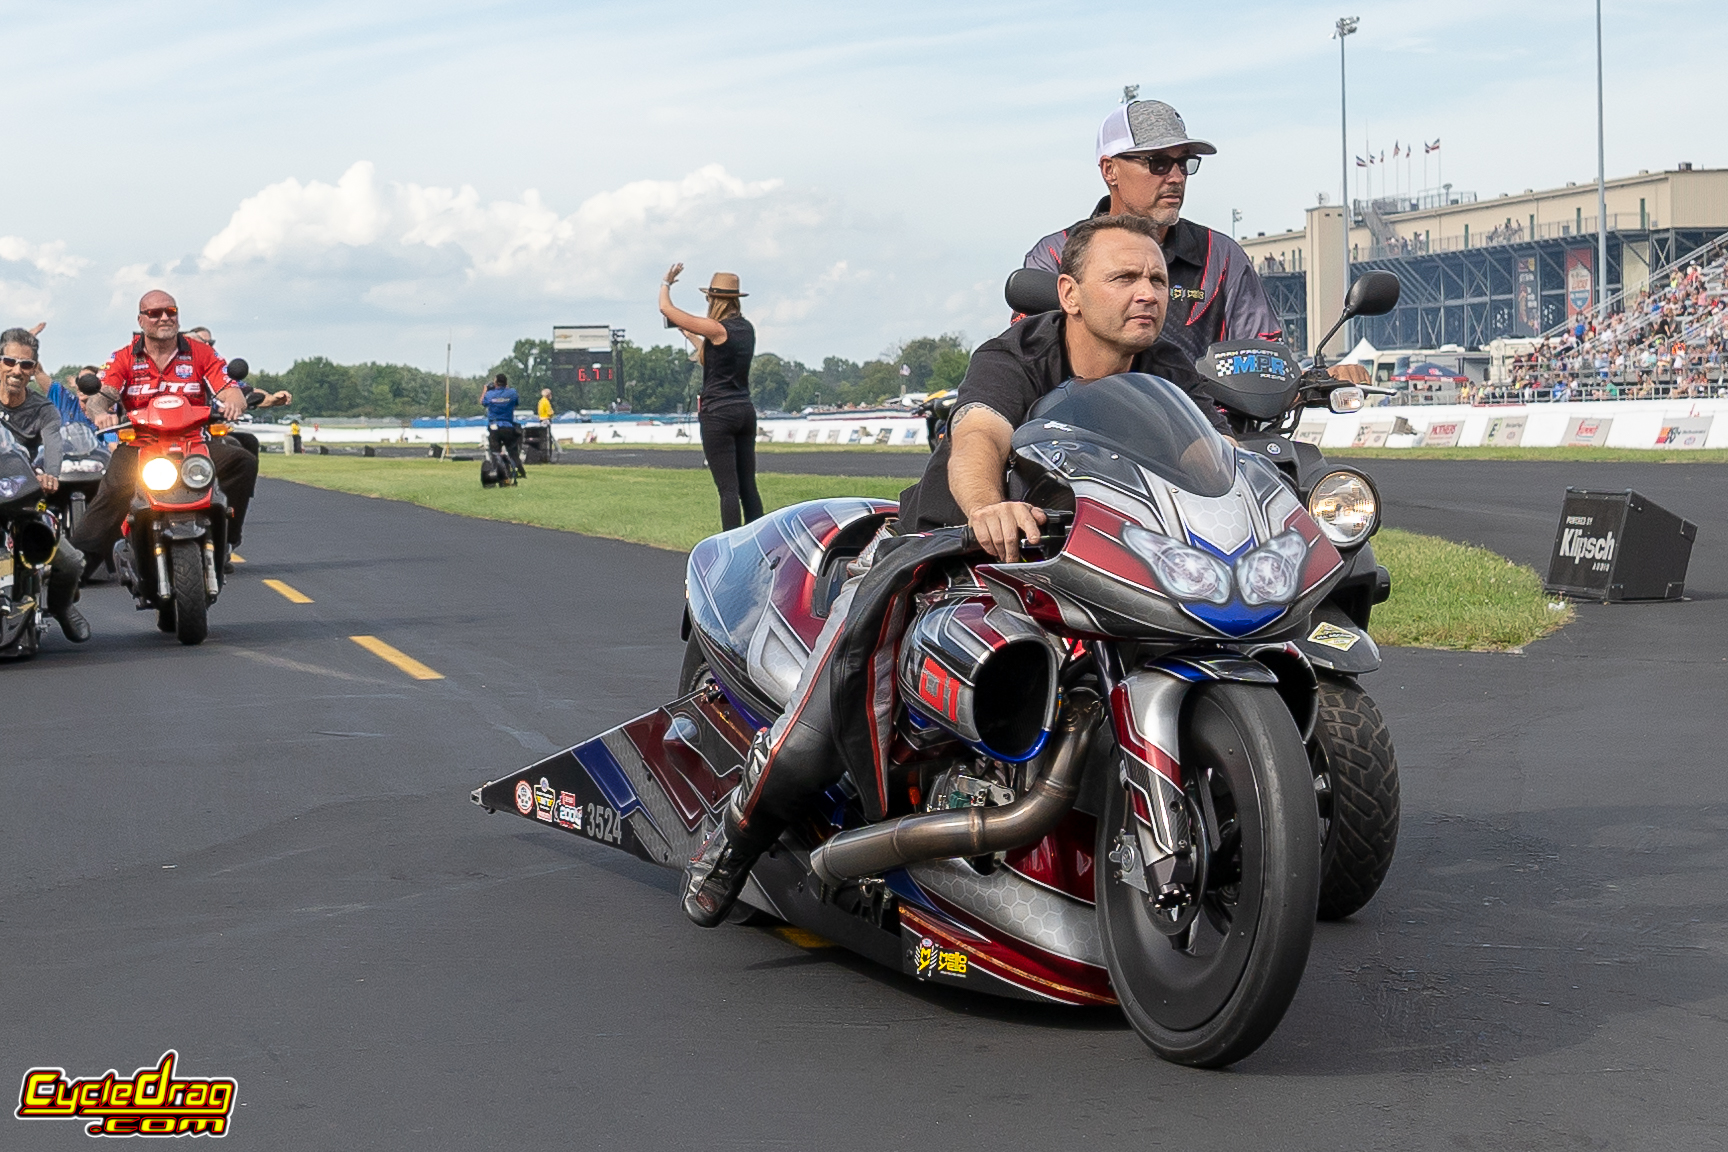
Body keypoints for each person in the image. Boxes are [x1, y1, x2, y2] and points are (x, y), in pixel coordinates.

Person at [680, 215, 1213, 926]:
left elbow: (1208, 462)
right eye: (1124, 277)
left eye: (1156, 279)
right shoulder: (1018, 351)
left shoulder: (1170, 366)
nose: (1148, 292)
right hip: (945, 549)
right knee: (825, 718)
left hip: (1086, 561)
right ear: (1072, 294)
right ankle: (733, 837)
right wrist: (988, 508)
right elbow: (978, 436)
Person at [1023, 99, 1286, 369]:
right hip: (1085, 411)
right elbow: (1033, 358)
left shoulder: (1221, 256)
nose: (1176, 177)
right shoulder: (1056, 253)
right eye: (1158, 163)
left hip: (1198, 412)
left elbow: (1265, 361)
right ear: (1109, 170)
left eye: (1184, 163)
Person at [69, 290, 259, 569]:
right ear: (141, 320)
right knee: (113, 490)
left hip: (195, 444)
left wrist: (233, 404)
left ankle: (226, 539)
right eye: (154, 313)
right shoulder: (123, 357)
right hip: (140, 445)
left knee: (243, 461)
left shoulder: (202, 353)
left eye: (170, 311)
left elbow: (230, 389)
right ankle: (77, 565)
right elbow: (101, 395)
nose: (163, 318)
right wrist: (99, 414)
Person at [0, 327, 89, 641]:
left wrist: (50, 474)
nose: (17, 370)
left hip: (24, 497)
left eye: (26, 365)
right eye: (9, 361)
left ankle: (62, 607)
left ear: (33, 369)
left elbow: (54, 445)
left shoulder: (44, 410)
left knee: (71, 561)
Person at [660, 266, 761, 531]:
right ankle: (761, 545)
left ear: (715, 300)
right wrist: (691, 336)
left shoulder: (717, 328)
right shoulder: (745, 329)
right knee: (748, 486)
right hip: (744, 410)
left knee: (728, 490)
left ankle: (731, 546)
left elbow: (667, 310)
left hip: (719, 413)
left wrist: (666, 284)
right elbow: (713, 357)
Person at [481, 373, 524, 477]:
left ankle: (496, 471)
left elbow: (483, 402)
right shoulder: (512, 393)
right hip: (508, 425)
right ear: (506, 383)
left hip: (494, 426)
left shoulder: (490, 394)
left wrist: (485, 390)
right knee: (512, 450)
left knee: (495, 451)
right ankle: (517, 471)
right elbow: (516, 403)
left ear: (495, 383)